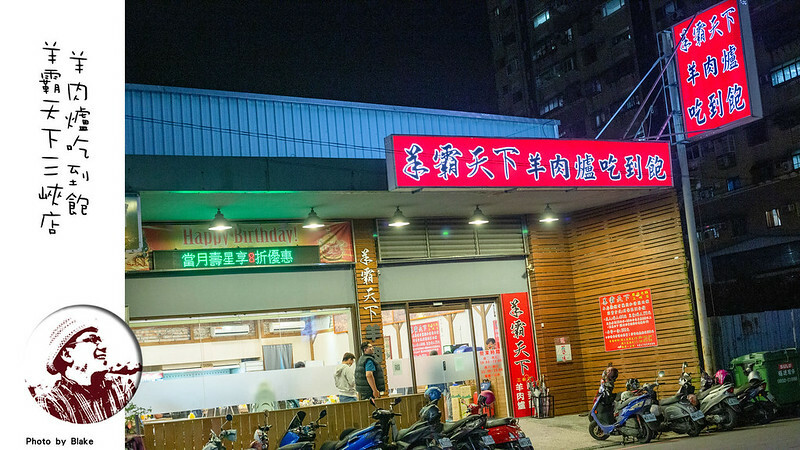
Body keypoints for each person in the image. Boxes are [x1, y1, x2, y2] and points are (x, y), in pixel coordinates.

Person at [35, 318, 139, 424]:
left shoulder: (122, 386)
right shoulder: (51, 403)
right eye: (92, 339)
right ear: (67, 355)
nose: (103, 346)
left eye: (100, 340)